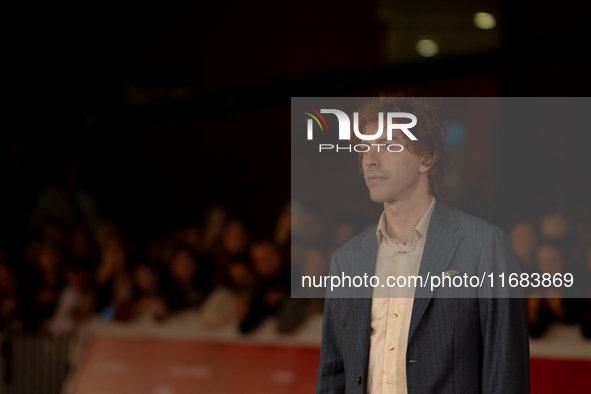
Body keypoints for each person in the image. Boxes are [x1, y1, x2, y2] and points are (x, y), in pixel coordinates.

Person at [316, 96, 529, 394]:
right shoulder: (347, 259)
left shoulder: (483, 245)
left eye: (388, 144)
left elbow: (506, 373)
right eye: (365, 147)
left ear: (426, 158)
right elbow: (333, 374)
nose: (370, 158)